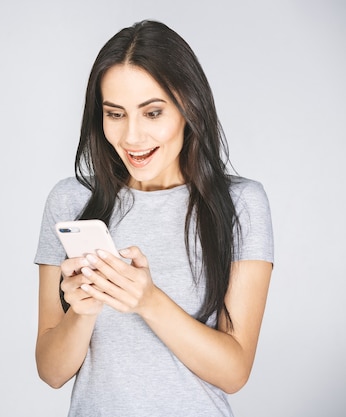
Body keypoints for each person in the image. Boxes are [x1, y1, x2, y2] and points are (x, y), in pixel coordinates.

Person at [34, 20, 273, 416]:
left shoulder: (241, 203)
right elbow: (51, 371)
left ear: (188, 107)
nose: (132, 137)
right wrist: (82, 312)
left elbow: (234, 372)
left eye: (153, 112)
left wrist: (148, 301)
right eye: (115, 114)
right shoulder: (70, 201)